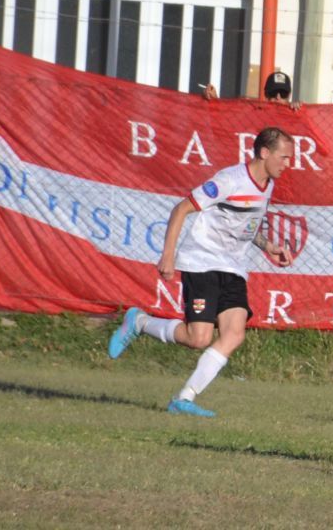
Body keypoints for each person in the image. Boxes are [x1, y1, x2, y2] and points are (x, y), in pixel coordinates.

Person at [108, 127, 295, 418]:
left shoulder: (267, 185)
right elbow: (181, 209)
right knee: (199, 338)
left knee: (234, 335)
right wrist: (168, 255)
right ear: (264, 152)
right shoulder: (229, 180)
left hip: (233, 267)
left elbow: (246, 224)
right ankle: (140, 322)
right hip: (202, 261)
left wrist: (267, 245)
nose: (287, 164)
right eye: (284, 157)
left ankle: (184, 398)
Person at [202, 71, 300, 110]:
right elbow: (226, 121)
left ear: (289, 95)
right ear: (266, 94)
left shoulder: (295, 115)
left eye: (283, 93)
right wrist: (215, 101)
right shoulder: (256, 113)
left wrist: (299, 112)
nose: (278, 97)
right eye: (273, 93)